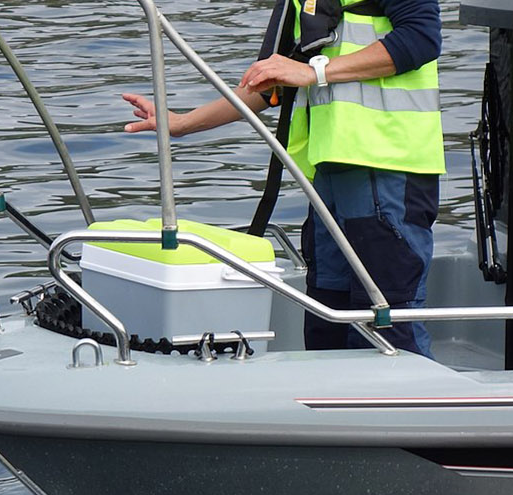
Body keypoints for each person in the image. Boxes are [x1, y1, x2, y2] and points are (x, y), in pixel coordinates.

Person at [121, 0, 444, 356]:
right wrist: (182, 123)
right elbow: (269, 85)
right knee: (328, 316)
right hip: (330, 177)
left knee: (389, 320)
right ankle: (328, 405)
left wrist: (315, 72)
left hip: (390, 170)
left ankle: (405, 407)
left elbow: (420, 38)